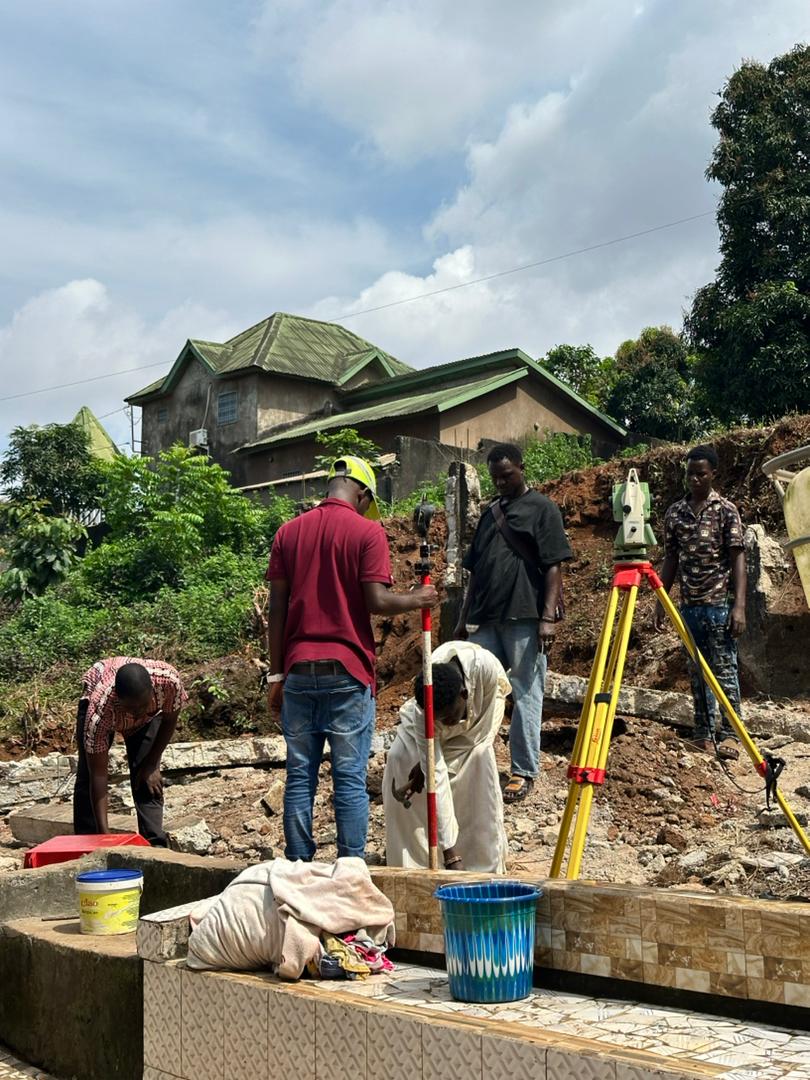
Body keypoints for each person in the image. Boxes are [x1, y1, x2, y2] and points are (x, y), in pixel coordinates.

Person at [266, 455, 438, 862]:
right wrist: (418, 598)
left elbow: (277, 609)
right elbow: (376, 601)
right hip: (347, 672)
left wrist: (276, 676)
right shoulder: (368, 532)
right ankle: (350, 866)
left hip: (298, 671)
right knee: (348, 779)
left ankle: (298, 866)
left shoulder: (288, 533)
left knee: (299, 778)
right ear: (362, 494)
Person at [453, 443, 572, 803]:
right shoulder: (490, 514)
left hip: (524, 617)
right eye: (496, 478)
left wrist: (547, 619)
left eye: (507, 475)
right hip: (486, 618)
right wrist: (462, 619)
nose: (501, 482)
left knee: (525, 693)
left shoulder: (543, 509)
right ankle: (474, 765)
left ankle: (523, 770)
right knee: (477, 691)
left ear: (521, 468)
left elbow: (553, 566)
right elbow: (475, 572)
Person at [383, 641, 510, 873]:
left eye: (449, 717)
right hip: (429, 729)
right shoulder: (423, 713)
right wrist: (449, 852)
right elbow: (437, 777)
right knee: (400, 756)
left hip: (477, 724)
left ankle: (481, 862)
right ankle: (419, 864)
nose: (446, 724)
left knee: (478, 760)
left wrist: (427, 766)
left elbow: (478, 733)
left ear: (464, 694)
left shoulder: (486, 670)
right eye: (438, 719)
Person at [654, 444, 746, 758]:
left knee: (725, 671)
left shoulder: (726, 511)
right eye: (690, 474)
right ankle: (703, 735)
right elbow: (670, 559)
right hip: (689, 608)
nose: (694, 479)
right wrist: (661, 601)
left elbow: (738, 559)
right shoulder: (675, 513)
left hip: (719, 606)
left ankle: (731, 735)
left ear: (713, 474)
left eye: (701, 474)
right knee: (697, 673)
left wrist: (739, 606)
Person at [73, 656, 187, 845]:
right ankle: (90, 840)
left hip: (149, 717)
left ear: (152, 690)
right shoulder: (99, 712)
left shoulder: (169, 682)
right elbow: (99, 775)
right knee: (87, 774)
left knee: (147, 776)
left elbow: (169, 720)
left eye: (143, 705)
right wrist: (105, 836)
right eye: (132, 708)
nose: (137, 713)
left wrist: (151, 764)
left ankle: (154, 842)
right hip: (99, 697)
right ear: (118, 699)